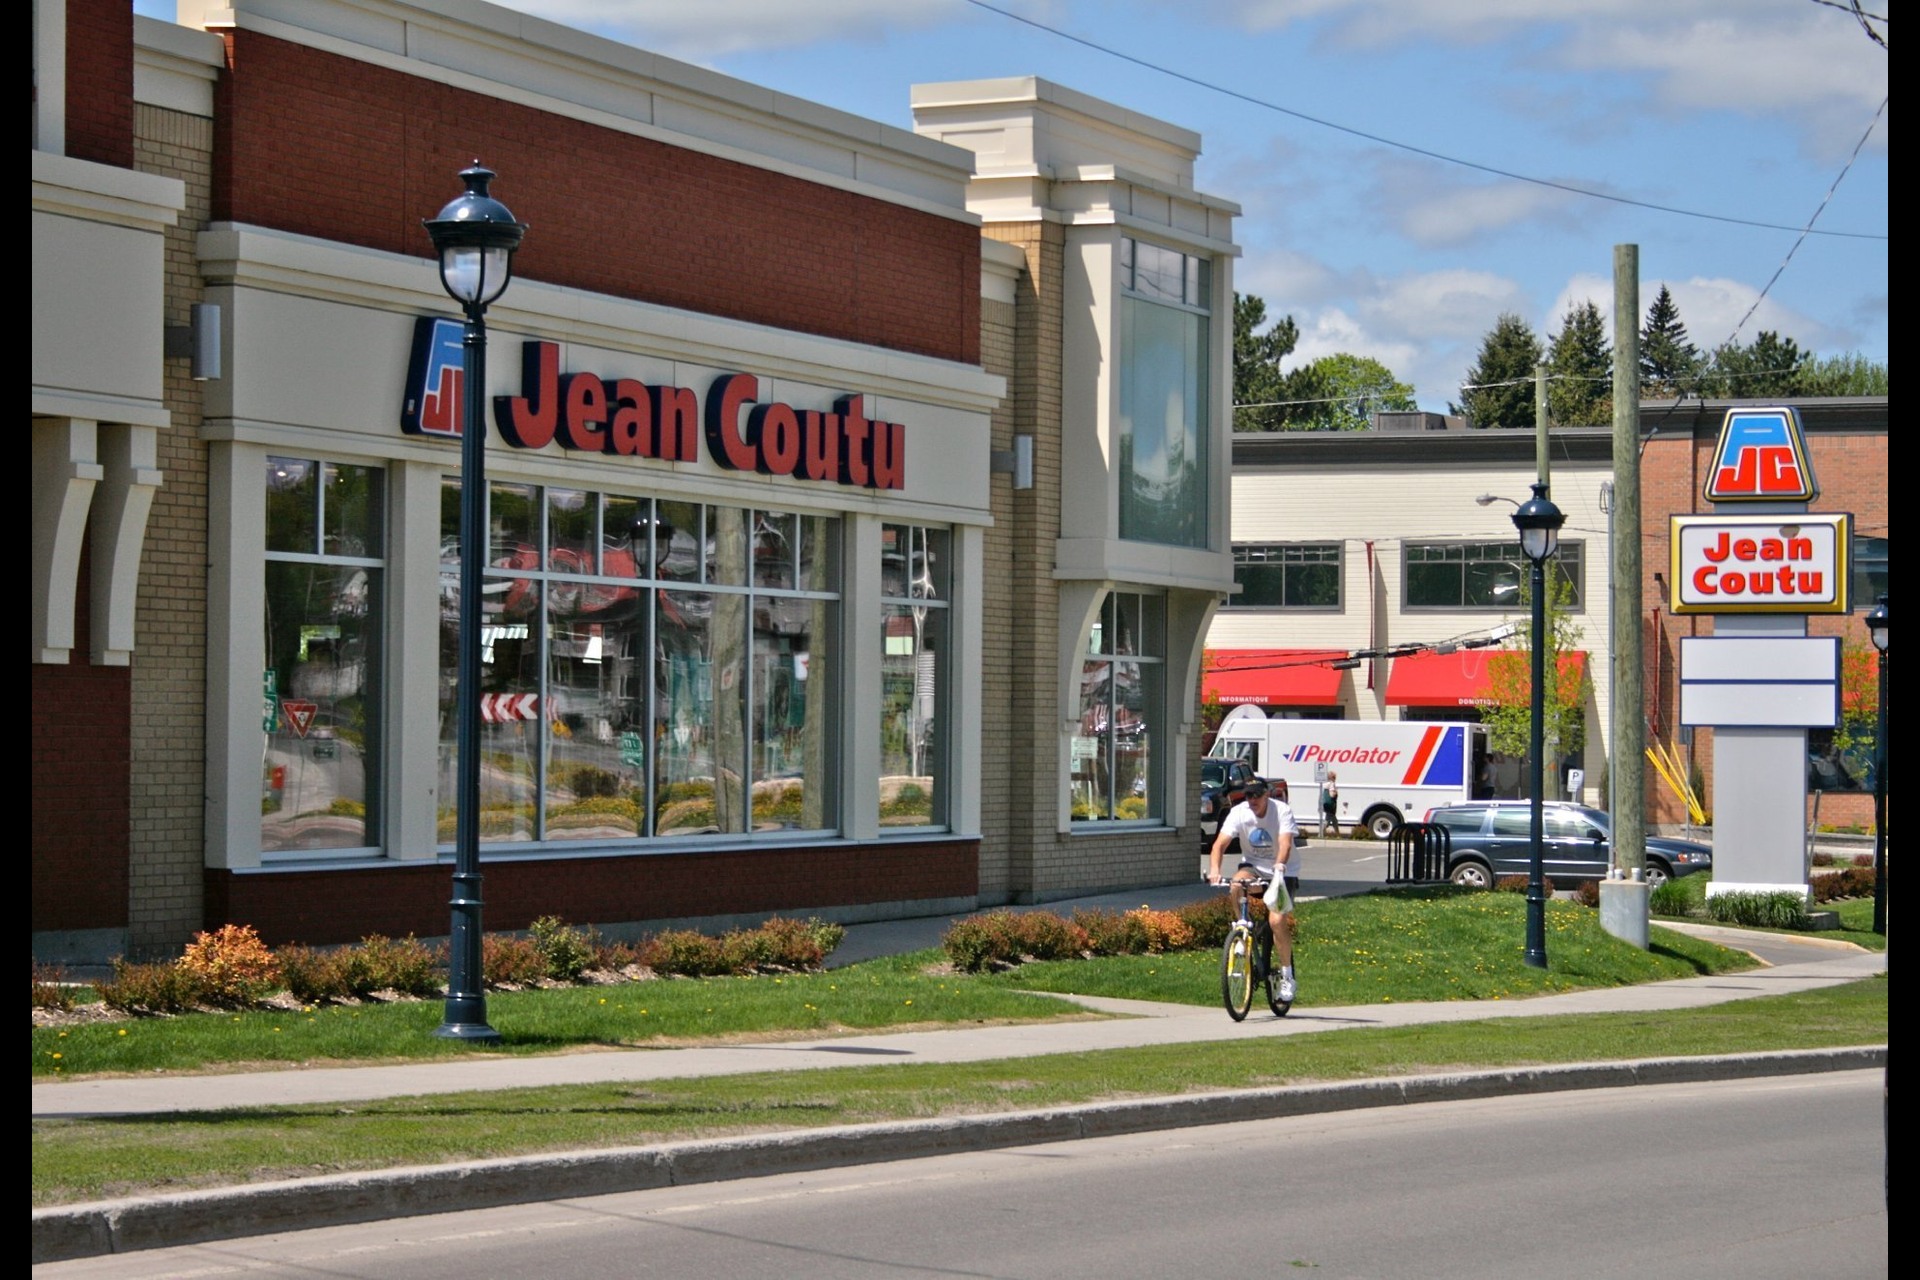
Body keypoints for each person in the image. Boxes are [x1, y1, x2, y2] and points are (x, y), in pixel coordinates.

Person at [1205, 778, 1298, 1002]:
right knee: (1237, 883)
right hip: (1253, 867)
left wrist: (1279, 867)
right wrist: (1215, 870)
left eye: (1257, 795)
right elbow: (1219, 844)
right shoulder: (1239, 813)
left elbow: (1285, 843)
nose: (1253, 800)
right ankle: (1241, 928)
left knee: (1276, 921)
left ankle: (1287, 976)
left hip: (1283, 870)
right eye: (1249, 795)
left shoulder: (1281, 811)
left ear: (1267, 794)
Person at [1320, 771, 1340, 837]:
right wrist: (1335, 792)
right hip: (1331, 804)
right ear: (1332, 778)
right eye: (1334, 777)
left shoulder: (1325, 784)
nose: (1335, 778)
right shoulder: (1331, 784)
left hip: (1326, 804)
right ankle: (1321, 833)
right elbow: (1332, 795)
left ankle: (1338, 834)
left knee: (1334, 820)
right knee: (1327, 821)